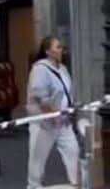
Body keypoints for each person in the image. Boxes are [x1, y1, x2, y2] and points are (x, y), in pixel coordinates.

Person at [26, 36, 79, 189]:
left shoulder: (63, 69)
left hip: (62, 121)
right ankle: (34, 186)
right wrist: (53, 112)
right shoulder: (39, 69)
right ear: (48, 51)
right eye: (58, 47)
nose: (62, 50)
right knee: (38, 158)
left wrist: (71, 105)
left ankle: (75, 182)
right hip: (44, 123)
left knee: (73, 150)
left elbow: (67, 92)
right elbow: (40, 97)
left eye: (61, 47)